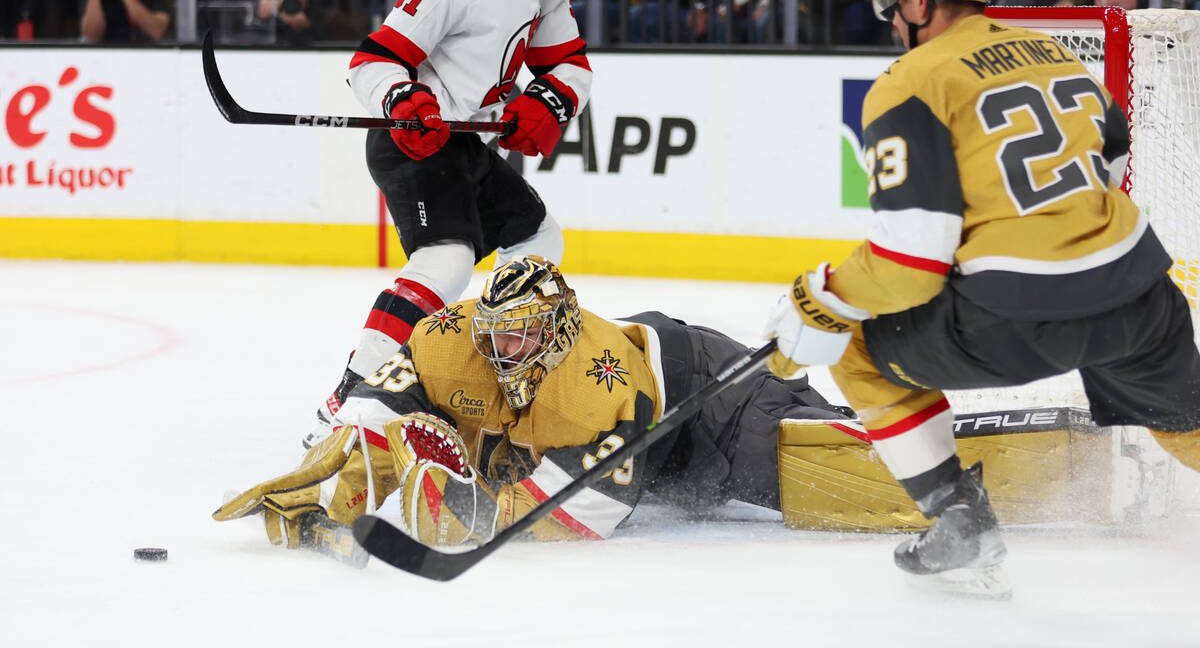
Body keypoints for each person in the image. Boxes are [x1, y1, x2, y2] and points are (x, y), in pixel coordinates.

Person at [762, 0, 1200, 595]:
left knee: (855, 349)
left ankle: (960, 519)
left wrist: (819, 298)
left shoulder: (910, 80)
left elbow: (911, 264)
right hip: (1139, 294)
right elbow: (1110, 161)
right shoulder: (1051, 52)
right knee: (1186, 425)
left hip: (1019, 316)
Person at [215, 256, 852, 548]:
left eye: (518, 336)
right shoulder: (449, 340)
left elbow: (588, 510)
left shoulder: (594, 390)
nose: (499, 350)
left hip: (712, 407)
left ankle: (943, 450)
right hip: (636, 444)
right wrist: (343, 473)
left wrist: (476, 512)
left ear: (552, 334)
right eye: (495, 333)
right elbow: (383, 405)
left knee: (840, 469)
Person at [302, 0, 592, 447]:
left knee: (540, 242)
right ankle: (353, 394)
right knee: (447, 263)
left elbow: (567, 61)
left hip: (467, 146)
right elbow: (374, 59)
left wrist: (548, 101)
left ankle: (493, 365)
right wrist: (405, 99)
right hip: (413, 138)